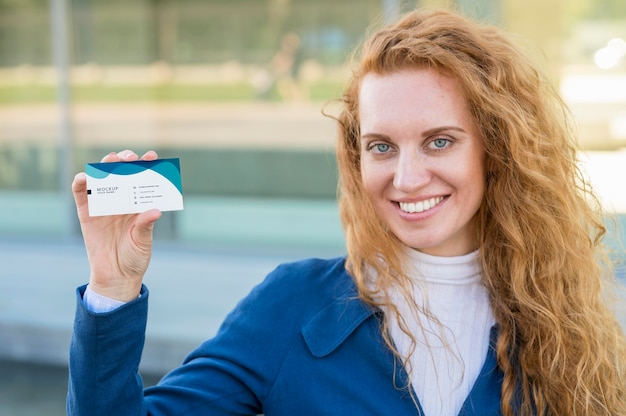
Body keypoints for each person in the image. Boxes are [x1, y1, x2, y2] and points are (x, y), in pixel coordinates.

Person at [67, 8, 626, 416]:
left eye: (439, 142)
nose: (405, 179)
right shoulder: (292, 307)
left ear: (496, 148)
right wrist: (111, 290)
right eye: (382, 146)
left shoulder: (563, 323)